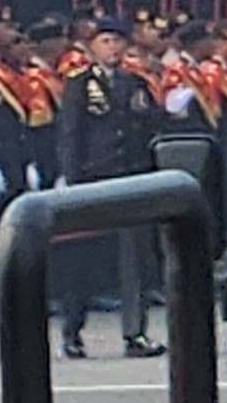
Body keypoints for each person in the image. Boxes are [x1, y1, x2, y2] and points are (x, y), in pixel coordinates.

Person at [54, 20, 165, 360]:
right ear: (92, 47)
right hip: (93, 179)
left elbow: (149, 129)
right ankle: (72, 332)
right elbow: (70, 135)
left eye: (118, 41)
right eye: (105, 41)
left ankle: (135, 333)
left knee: (134, 263)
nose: (113, 48)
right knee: (83, 262)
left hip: (130, 180)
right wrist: (70, 178)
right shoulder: (79, 84)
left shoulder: (136, 83)